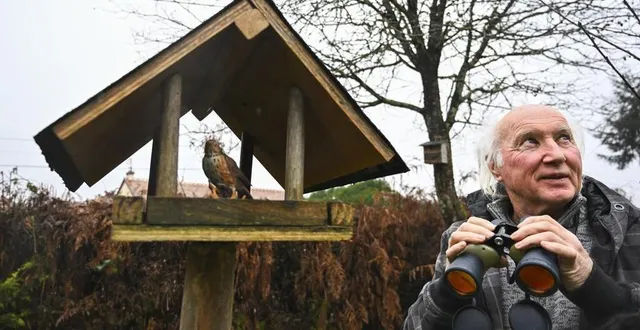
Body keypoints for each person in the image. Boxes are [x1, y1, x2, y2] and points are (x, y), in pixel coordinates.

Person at [403, 104, 640, 330]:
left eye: (564, 138)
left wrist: (591, 284)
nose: (557, 155)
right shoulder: (464, 238)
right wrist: (447, 292)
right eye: (530, 141)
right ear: (495, 166)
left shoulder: (628, 230)